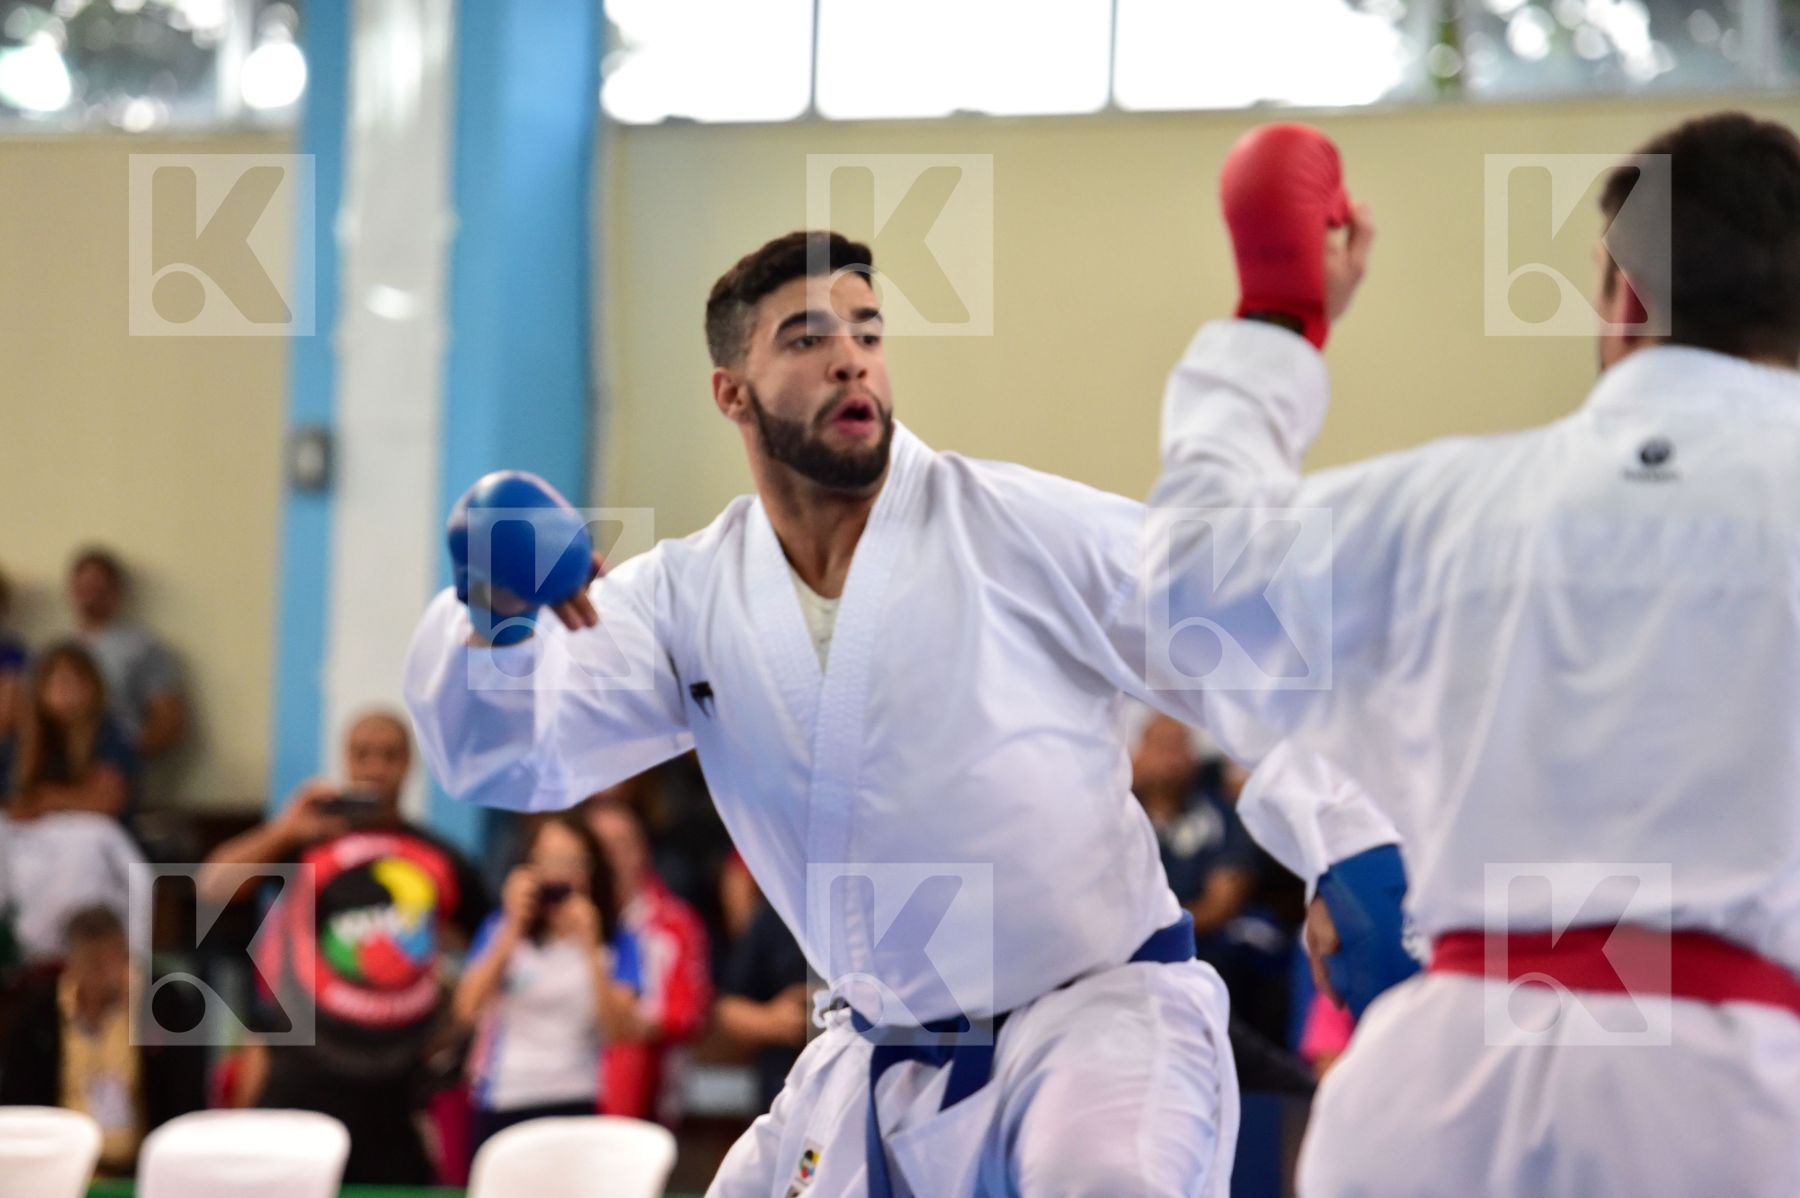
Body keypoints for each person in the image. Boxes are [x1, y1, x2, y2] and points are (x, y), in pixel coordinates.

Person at [406, 230, 1241, 1196]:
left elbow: (1270, 643)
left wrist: (1342, 842)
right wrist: (494, 621)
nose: (850, 355)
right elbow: (509, 759)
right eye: (805, 339)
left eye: (868, 331)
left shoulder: (1016, 529)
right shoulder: (689, 597)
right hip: (880, 1054)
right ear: (732, 393)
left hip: (1095, 1024)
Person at [1142, 114, 1800, 1195]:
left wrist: (1278, 318)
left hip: (1428, 1102)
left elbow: (1191, 587)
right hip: (1728, 1107)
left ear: (1624, 298)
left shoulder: (1447, 501)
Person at [198, 709, 491, 1185]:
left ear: (410, 764)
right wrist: (286, 830)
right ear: (345, 759)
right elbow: (211, 887)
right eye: (362, 754)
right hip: (304, 1069)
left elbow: (491, 944)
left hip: (398, 1085)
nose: (375, 768)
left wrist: (456, 1019)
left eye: (390, 755)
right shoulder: (308, 841)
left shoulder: (442, 858)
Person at [454, 812, 645, 1151]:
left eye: (575, 863)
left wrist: (591, 948)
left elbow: (618, 1031)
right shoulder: (502, 928)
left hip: (576, 1097)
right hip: (505, 1096)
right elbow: (466, 1009)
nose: (562, 875)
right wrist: (512, 926)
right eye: (551, 861)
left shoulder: (616, 940)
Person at [0, 906, 205, 1175]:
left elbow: (186, 1095)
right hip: (62, 1169)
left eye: (113, 960)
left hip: (143, 1168)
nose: (106, 974)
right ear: (71, 963)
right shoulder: (40, 1014)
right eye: (94, 963)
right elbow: (20, 1097)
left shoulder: (164, 1005)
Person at [585, 794, 711, 1124]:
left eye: (621, 845)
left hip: (644, 1096)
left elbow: (687, 1014)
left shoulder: (675, 923)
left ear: (644, 851)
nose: (610, 858)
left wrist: (618, 1022)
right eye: (598, 847)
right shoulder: (561, 920)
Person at [66, 548, 185, 764]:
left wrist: (127, 758)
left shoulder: (142, 646)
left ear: (115, 590)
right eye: (83, 587)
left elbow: (169, 718)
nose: (90, 595)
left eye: (97, 587)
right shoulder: (59, 650)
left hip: (112, 755)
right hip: (62, 757)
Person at [2, 641, 136, 819]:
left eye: (76, 681)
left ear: (93, 686)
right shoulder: (23, 738)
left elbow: (107, 799)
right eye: (59, 681)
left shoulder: (111, 733)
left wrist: (50, 799)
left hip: (93, 836)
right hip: (32, 837)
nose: (67, 691)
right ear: (40, 689)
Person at [714, 892, 812, 1115]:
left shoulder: (885, 914)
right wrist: (772, 1021)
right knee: (808, 1151)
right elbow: (726, 1010)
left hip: (865, 1089)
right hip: (783, 1095)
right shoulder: (779, 912)